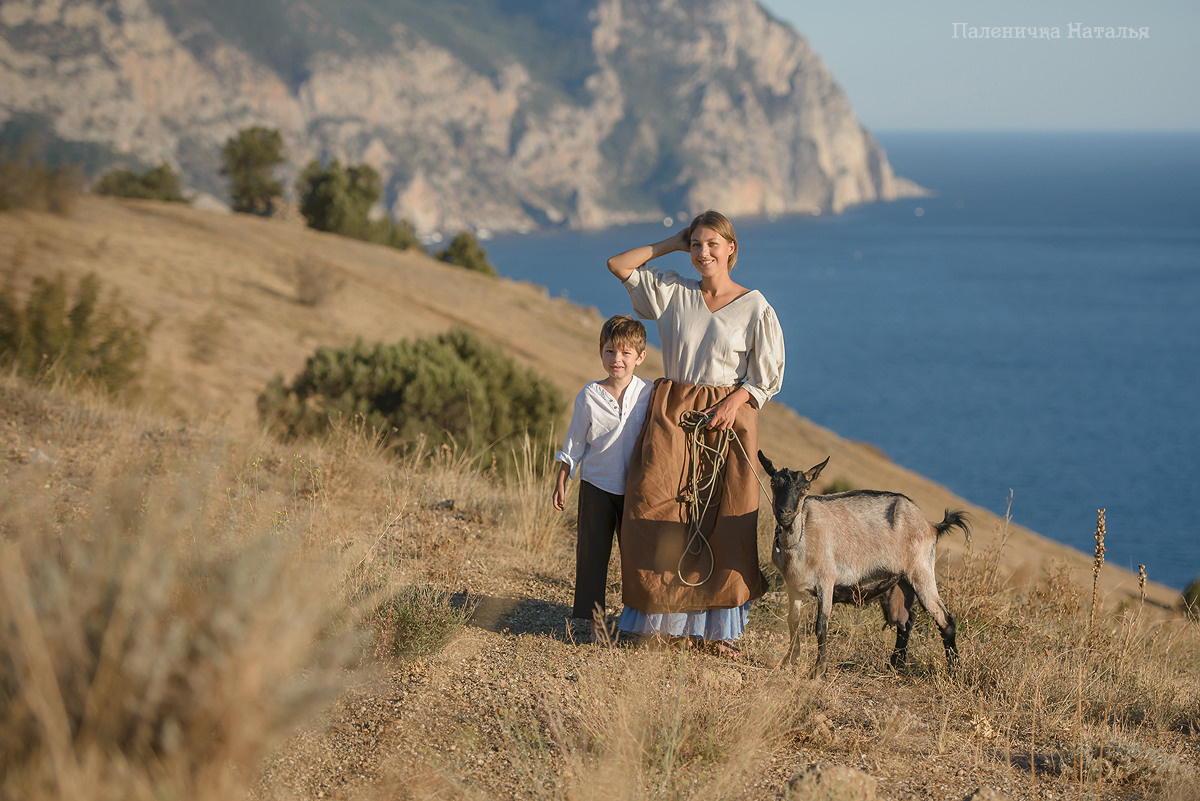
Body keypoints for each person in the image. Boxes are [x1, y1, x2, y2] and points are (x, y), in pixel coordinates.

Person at [606, 210, 785, 658]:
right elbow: (619, 264)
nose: (703, 253)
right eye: (697, 244)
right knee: (656, 507)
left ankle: (717, 632)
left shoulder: (755, 305)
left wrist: (734, 402)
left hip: (728, 419)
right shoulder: (671, 291)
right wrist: (674, 240)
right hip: (674, 413)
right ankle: (657, 619)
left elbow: (766, 376)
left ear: (731, 250)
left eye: (712, 244)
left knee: (723, 519)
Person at [552, 314, 653, 643]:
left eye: (625, 353)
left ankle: (634, 623)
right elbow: (574, 444)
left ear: (640, 357)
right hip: (596, 487)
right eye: (610, 351)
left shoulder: (649, 394)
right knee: (593, 555)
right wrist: (562, 478)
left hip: (635, 491)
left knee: (635, 559)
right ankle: (595, 624)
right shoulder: (589, 396)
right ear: (601, 353)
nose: (617, 360)